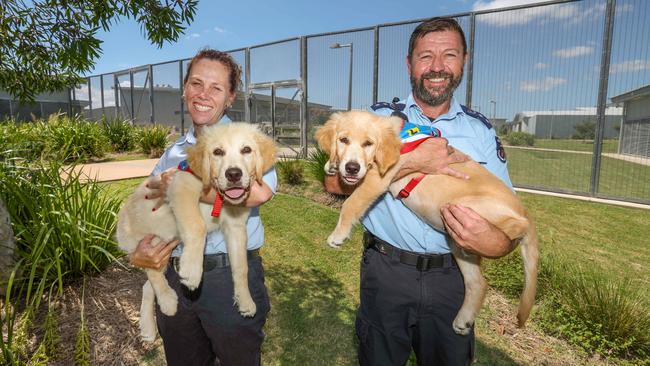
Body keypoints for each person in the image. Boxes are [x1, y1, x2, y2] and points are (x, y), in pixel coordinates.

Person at [324, 17, 516, 365]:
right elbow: (334, 184)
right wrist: (414, 162)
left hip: (451, 278)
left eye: (449, 55)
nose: (438, 67)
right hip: (386, 273)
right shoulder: (376, 121)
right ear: (409, 64)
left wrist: (494, 241)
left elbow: (506, 230)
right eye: (426, 56)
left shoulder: (482, 133)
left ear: (464, 61)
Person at [129, 48, 277, 366]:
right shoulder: (173, 152)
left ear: (231, 97)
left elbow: (258, 193)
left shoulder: (244, 141)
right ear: (184, 89)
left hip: (228, 280)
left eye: (216, 88)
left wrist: (182, 186)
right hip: (176, 278)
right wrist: (141, 249)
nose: (203, 95)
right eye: (196, 83)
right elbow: (148, 207)